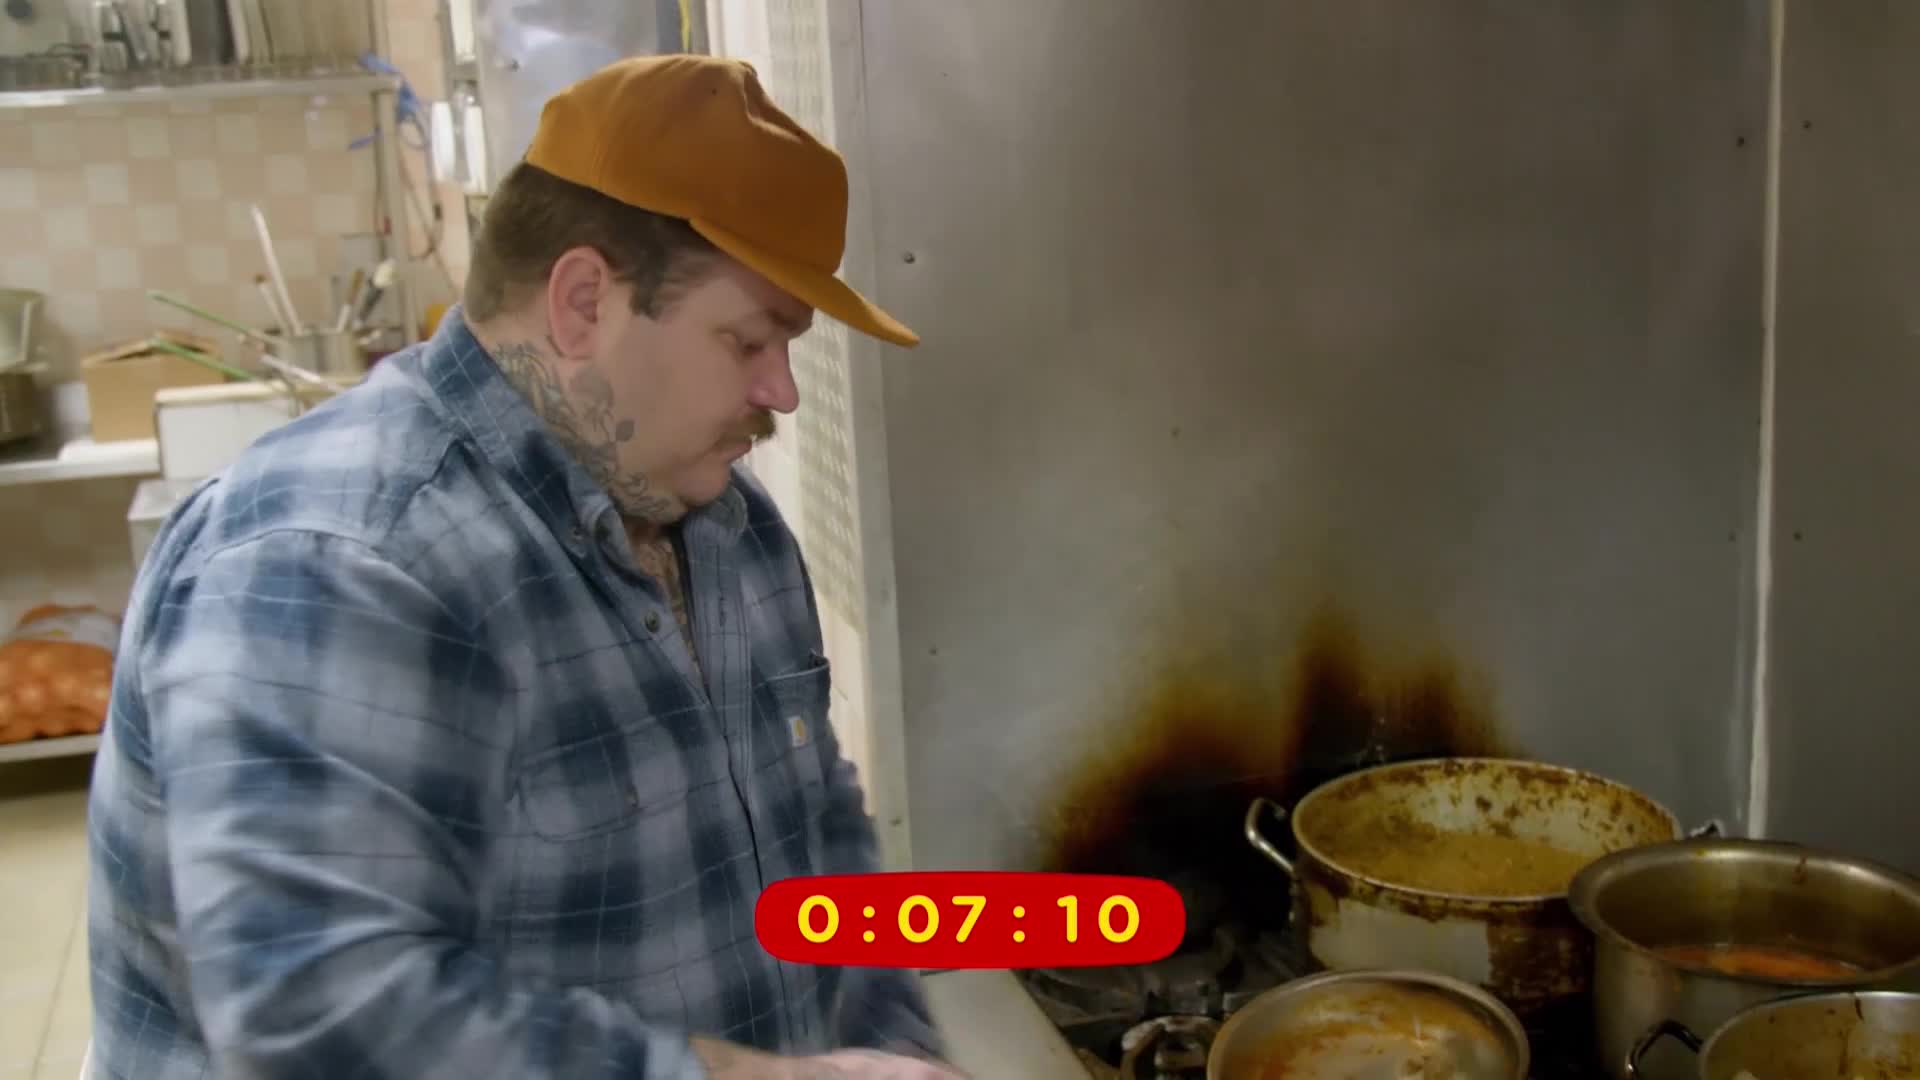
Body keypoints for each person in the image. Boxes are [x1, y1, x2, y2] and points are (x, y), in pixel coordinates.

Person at [86, 55, 963, 1080]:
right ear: (583, 300)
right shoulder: (340, 557)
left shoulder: (733, 530)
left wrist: (893, 1045)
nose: (783, 393)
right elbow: (324, 1019)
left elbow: (820, 829)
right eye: (748, 338)